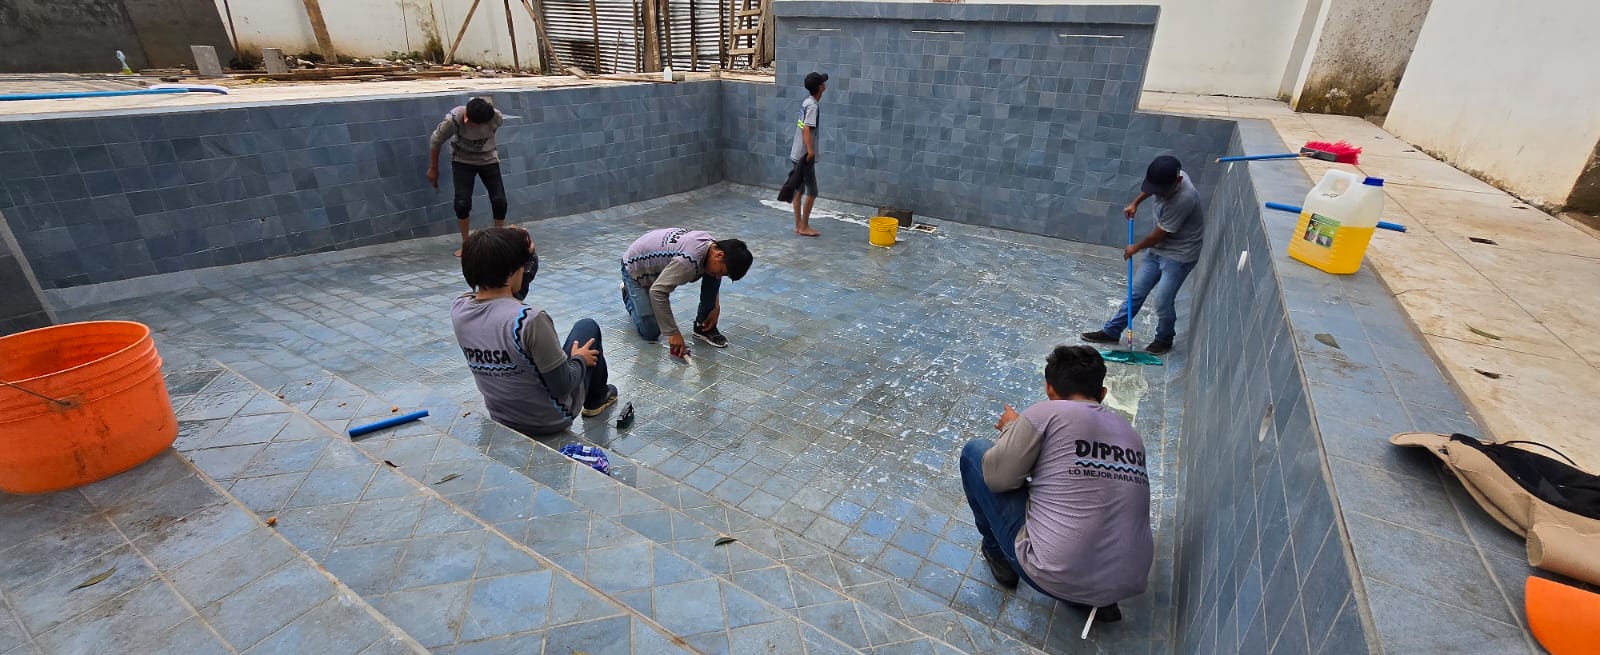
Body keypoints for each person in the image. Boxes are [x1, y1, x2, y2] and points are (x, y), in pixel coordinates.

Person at [959, 345, 1153, 621]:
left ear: (1049, 390)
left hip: (1052, 573)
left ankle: (997, 555)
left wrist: (1012, 429)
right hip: (1128, 581)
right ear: (1102, 394)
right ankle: (1095, 598)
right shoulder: (1131, 435)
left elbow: (999, 479)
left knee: (975, 453)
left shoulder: (1044, 414)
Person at [451, 227, 618, 436]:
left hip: (502, 416)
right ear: (514, 271)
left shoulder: (459, 308)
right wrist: (580, 360)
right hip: (551, 418)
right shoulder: (530, 320)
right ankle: (597, 397)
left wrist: (519, 254)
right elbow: (562, 385)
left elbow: (506, 296)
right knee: (587, 327)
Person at [1080, 155, 1205, 355]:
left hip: (1179, 255)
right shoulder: (1169, 178)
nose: (1158, 194)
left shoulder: (1185, 198)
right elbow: (1150, 189)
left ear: (1178, 181)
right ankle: (1112, 331)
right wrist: (1135, 203)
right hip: (1157, 250)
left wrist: (1135, 247)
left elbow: (1159, 234)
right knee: (1136, 293)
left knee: (1163, 300)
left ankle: (1164, 339)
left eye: (1161, 191)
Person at [620, 228, 753, 357]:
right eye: (722, 272)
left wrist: (715, 306)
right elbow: (658, 292)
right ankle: (628, 294)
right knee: (650, 332)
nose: (719, 276)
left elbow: (714, 273)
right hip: (635, 270)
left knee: (712, 275)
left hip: (658, 264)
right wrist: (673, 333)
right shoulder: (688, 261)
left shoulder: (713, 247)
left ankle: (703, 327)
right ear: (719, 255)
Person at [427, 97, 507, 257]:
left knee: (499, 200)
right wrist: (433, 168)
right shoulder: (453, 120)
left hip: (488, 159)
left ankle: (500, 240)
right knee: (462, 203)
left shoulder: (495, 117)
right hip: (462, 160)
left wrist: (489, 148)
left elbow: (493, 133)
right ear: (466, 118)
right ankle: (466, 244)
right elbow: (435, 141)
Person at [783, 71, 828, 237]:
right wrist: (810, 152)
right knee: (812, 191)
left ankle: (798, 225)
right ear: (820, 87)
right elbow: (807, 129)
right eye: (823, 82)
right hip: (804, 155)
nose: (825, 84)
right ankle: (804, 226)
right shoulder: (813, 106)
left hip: (797, 153)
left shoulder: (807, 102)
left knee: (799, 190)